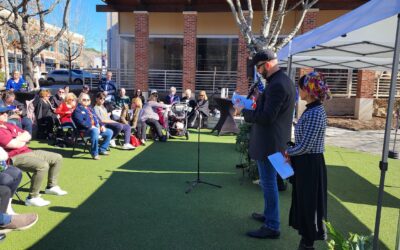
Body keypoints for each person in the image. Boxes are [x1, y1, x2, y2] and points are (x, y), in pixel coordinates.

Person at [238, 49, 296, 239]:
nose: (258, 71)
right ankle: (269, 216)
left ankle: (272, 226)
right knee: (269, 183)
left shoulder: (277, 85)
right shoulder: (281, 81)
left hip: (271, 144)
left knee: (269, 183)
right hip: (275, 142)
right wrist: (257, 100)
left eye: (259, 67)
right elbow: (271, 111)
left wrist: (245, 112)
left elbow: (267, 117)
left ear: (268, 64)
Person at [285, 72, 331, 250]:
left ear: (309, 90)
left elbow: (306, 146)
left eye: (301, 87)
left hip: (310, 164)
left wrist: (288, 151)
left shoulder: (315, 112)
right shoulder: (313, 109)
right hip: (307, 162)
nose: (299, 91)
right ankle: (306, 239)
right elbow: (304, 144)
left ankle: (308, 242)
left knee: (309, 202)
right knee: (304, 201)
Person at [0, 105, 68, 207]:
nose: (5, 114)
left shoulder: (9, 125)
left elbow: (28, 135)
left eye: (6, 112)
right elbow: (13, 144)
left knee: (57, 157)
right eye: (1, 113)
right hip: (13, 157)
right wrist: (20, 140)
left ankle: (51, 187)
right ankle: (32, 197)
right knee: (42, 165)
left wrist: (18, 140)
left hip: (27, 151)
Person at [72, 93, 113, 160]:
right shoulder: (77, 110)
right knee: (95, 131)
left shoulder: (90, 108)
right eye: (84, 100)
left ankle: (102, 149)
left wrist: (102, 125)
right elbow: (80, 122)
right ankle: (95, 153)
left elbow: (97, 118)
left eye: (88, 100)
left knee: (109, 132)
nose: (86, 101)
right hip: (84, 131)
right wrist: (91, 126)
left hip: (95, 129)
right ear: (79, 100)